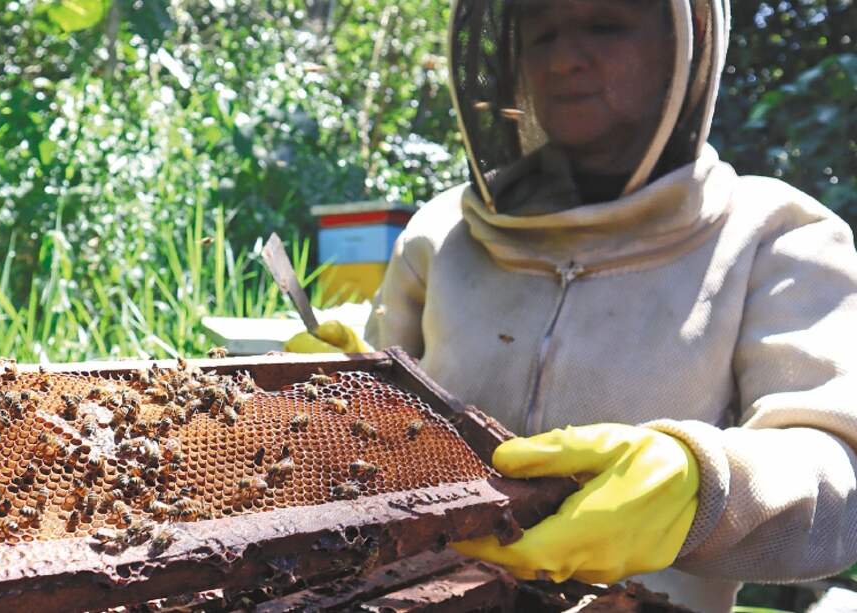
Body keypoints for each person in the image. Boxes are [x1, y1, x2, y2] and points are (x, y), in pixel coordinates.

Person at [285, 0, 857, 610]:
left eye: (605, 25)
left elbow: (837, 475)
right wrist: (341, 391)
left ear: (684, 47)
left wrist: (708, 482)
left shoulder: (777, 238)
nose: (563, 60)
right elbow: (374, 456)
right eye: (542, 32)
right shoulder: (438, 236)